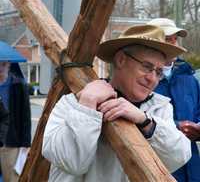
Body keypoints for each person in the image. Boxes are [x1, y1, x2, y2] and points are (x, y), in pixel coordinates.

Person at [42, 25, 191, 182]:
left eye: (159, 72)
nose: (152, 78)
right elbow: (73, 162)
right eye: (147, 67)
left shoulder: (160, 107)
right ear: (121, 60)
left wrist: (145, 122)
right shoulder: (71, 103)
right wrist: (87, 105)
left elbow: (178, 157)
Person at [148, 18, 200, 182]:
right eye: (167, 39)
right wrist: (177, 126)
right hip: (155, 164)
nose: (174, 44)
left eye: (174, 39)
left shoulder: (189, 78)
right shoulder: (141, 78)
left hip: (192, 167)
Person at [0, 41, 31, 182]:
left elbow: (26, 117)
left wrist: (25, 144)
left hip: (11, 142)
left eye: (3, 64)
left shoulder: (19, 85)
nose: (0, 68)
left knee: (11, 179)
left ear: (9, 65)